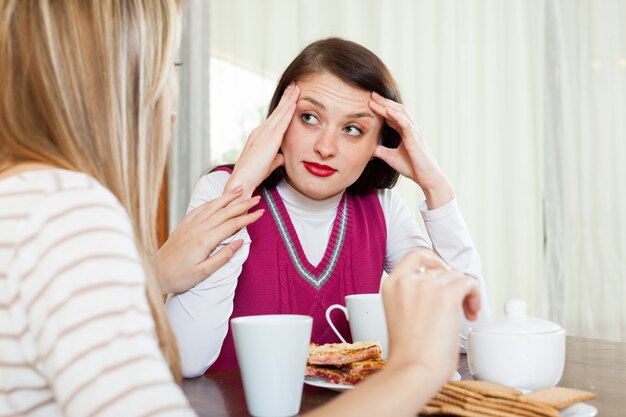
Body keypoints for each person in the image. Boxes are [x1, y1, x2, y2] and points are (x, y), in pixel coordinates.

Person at [167, 37, 492, 375]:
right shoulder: (222, 189)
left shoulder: (382, 209)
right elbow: (185, 359)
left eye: (352, 129)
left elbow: (468, 336)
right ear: (280, 119)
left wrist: (436, 186)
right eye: (309, 118)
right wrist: (240, 189)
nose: (325, 147)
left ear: (377, 145)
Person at [0, 1, 261, 415]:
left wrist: (154, 277)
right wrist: (403, 373)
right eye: (168, 68)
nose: (173, 109)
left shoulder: (24, 200)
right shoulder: (65, 213)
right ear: (123, 84)